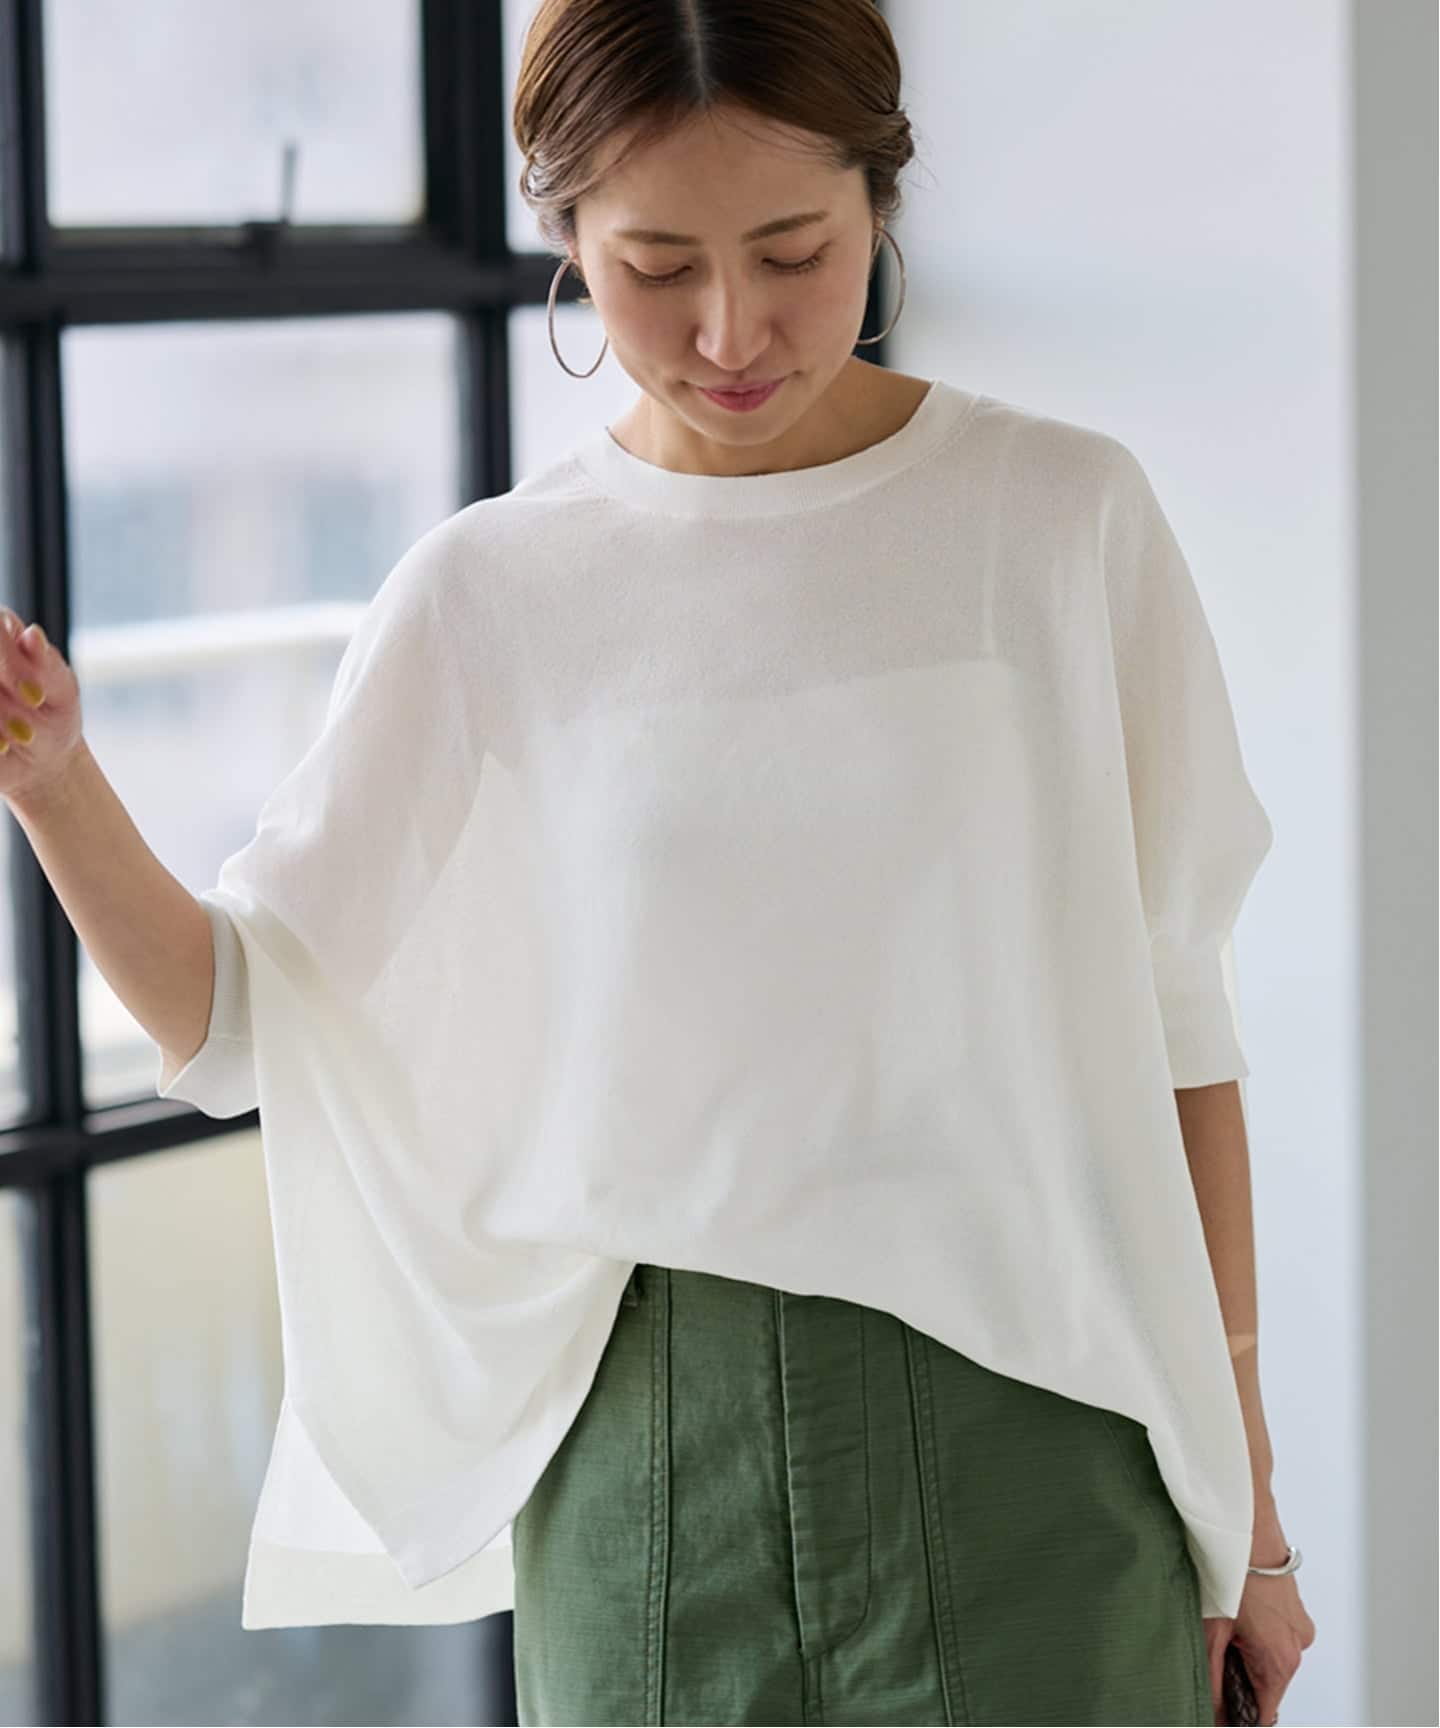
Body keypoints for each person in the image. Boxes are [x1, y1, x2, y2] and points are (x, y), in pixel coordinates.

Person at [1, 0, 1317, 1721]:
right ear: (564, 236)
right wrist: (56, 785)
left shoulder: (1060, 519)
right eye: (655, 267)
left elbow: (1177, 1025)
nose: (730, 330)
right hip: (648, 1471)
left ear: (881, 199)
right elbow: (239, 1019)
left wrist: (1250, 1516)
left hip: (1039, 1440)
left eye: (795, 253)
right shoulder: (491, 595)